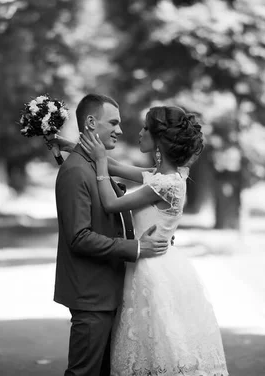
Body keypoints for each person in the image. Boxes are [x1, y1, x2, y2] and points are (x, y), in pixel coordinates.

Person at [78, 105, 228, 375]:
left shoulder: (165, 184)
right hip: (151, 262)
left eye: (146, 128)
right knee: (152, 348)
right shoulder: (161, 177)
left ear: (159, 140)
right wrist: (67, 143)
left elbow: (112, 203)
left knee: (161, 350)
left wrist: (100, 163)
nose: (140, 132)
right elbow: (114, 164)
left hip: (154, 270)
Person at [53, 93, 170, 376]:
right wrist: (137, 247)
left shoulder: (93, 163)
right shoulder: (75, 172)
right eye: (113, 122)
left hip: (110, 292)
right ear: (91, 122)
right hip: (92, 295)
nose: (119, 130)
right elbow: (79, 237)